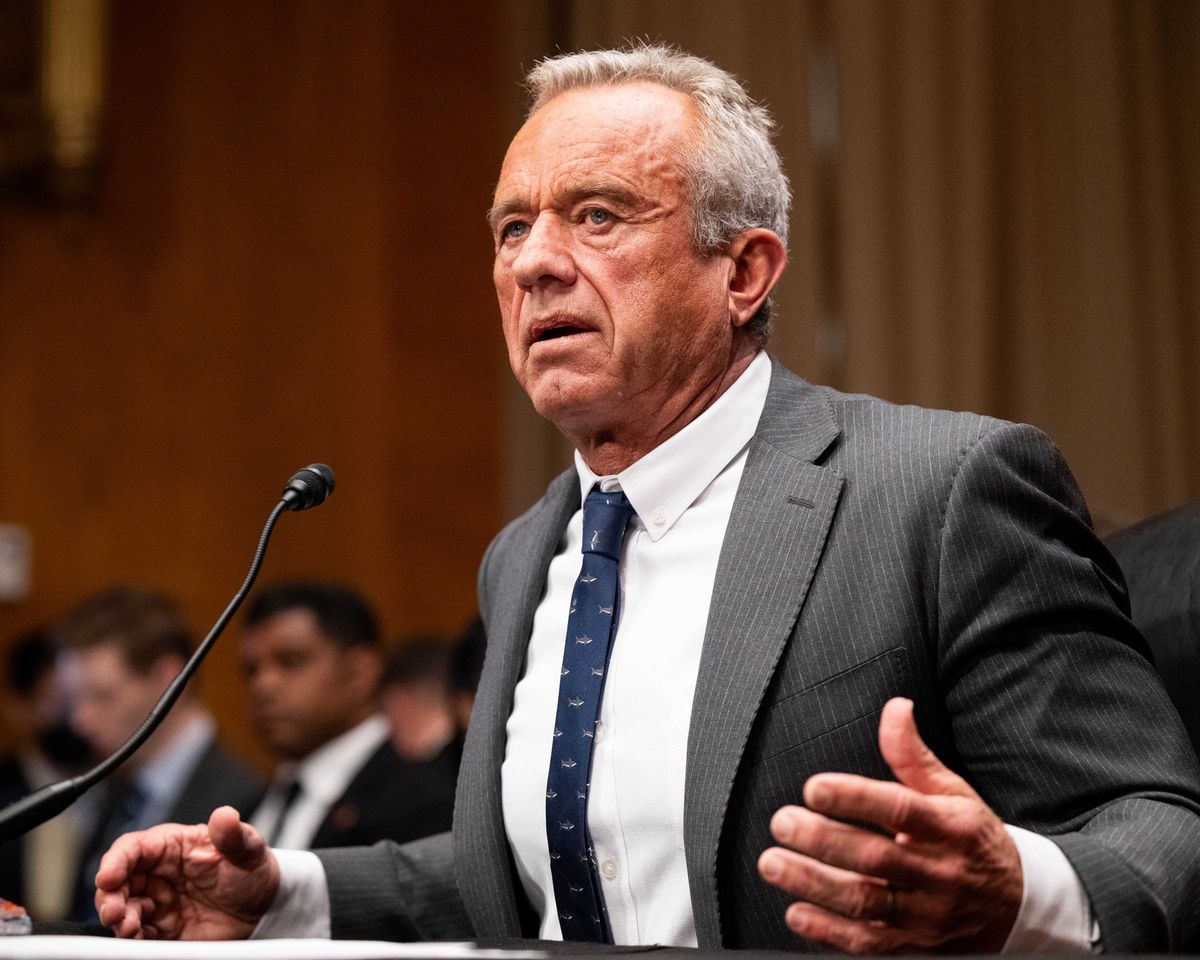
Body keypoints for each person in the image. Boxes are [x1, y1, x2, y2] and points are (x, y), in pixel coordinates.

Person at [95, 45, 1200, 953]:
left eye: (599, 216)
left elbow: (1157, 825)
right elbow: (553, 876)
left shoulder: (939, 491)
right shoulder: (525, 554)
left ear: (746, 271)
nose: (535, 263)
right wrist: (281, 894)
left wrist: (1023, 893)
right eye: (512, 228)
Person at [57, 586, 263, 922]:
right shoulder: (118, 788)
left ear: (169, 680)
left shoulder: (243, 799)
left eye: (101, 695)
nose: (80, 719)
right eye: (75, 699)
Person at [241, 582, 455, 850]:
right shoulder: (248, 809)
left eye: (291, 661)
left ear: (360, 672)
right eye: (251, 670)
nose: (263, 685)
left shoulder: (424, 798)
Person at [0, 628, 93, 919]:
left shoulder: (123, 790)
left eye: (82, 698)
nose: (76, 717)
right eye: (58, 701)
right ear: (19, 705)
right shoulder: (4, 790)